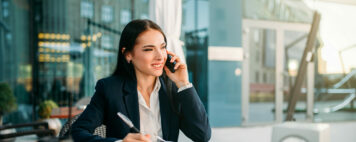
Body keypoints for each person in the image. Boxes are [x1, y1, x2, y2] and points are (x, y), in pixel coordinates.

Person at [71, 19, 211, 142]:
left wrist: (183, 84)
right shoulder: (109, 89)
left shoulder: (173, 89)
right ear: (128, 54)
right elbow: (78, 131)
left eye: (162, 48)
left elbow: (202, 135)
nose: (160, 56)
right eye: (149, 49)